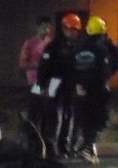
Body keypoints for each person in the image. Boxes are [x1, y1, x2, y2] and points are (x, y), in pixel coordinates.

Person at [70, 16, 118, 162]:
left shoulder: (77, 47)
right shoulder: (102, 49)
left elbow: (71, 68)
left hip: (80, 90)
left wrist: (77, 84)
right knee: (100, 119)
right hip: (97, 90)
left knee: (85, 120)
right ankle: (88, 146)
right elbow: (107, 69)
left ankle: (87, 147)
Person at [36, 13, 84, 159]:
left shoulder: (75, 46)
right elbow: (43, 68)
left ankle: (63, 146)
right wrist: (42, 86)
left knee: (67, 117)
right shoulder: (53, 46)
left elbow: (77, 68)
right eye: (72, 29)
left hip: (69, 85)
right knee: (53, 117)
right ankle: (50, 147)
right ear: (64, 28)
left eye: (76, 30)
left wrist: (79, 83)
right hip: (54, 83)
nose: (74, 32)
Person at [19, 17, 55, 150]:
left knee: (48, 112)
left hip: (50, 83)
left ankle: (46, 141)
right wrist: (37, 65)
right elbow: (22, 63)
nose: (46, 29)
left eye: (48, 27)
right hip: (35, 82)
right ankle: (32, 141)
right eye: (43, 26)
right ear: (37, 27)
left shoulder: (51, 44)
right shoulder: (30, 43)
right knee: (35, 111)